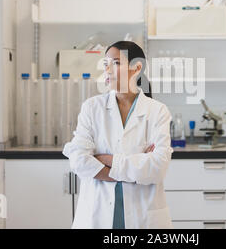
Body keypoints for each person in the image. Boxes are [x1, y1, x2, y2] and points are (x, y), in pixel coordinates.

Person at [62, 40, 174, 229]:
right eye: (105, 64)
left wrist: (104, 160)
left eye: (115, 63)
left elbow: (157, 168)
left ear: (137, 67)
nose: (107, 70)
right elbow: (79, 161)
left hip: (143, 218)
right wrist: (133, 168)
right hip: (96, 215)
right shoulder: (92, 108)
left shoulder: (157, 111)